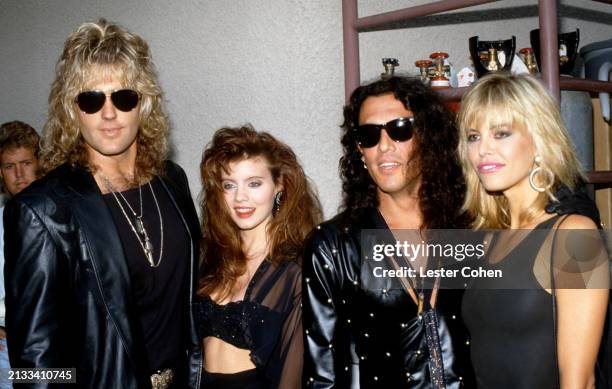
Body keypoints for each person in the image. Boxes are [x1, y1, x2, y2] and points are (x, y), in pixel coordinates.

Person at [3, 20, 201, 388]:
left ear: (144, 103)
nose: (108, 113)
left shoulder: (172, 180)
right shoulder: (41, 211)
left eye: (123, 97)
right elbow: (33, 364)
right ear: (72, 109)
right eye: (91, 99)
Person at [303, 76, 475, 388]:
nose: (383, 146)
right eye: (368, 135)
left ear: (428, 136)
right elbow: (322, 377)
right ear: (359, 151)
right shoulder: (334, 245)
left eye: (400, 129)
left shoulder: (472, 225)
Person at [458, 72, 610, 388]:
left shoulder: (574, 236)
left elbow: (579, 381)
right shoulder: (486, 238)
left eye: (501, 134)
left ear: (539, 141)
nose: (482, 149)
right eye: (474, 136)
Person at [196, 125, 321, 388]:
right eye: (229, 185)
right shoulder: (209, 255)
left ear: (279, 186)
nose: (240, 197)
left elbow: (294, 375)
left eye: (254, 183)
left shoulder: (295, 270)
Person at [0, 120, 40, 389]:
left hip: (52, 346)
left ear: (39, 163)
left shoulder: (62, 219)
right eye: (9, 166)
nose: (19, 174)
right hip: (4, 351)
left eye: (26, 163)